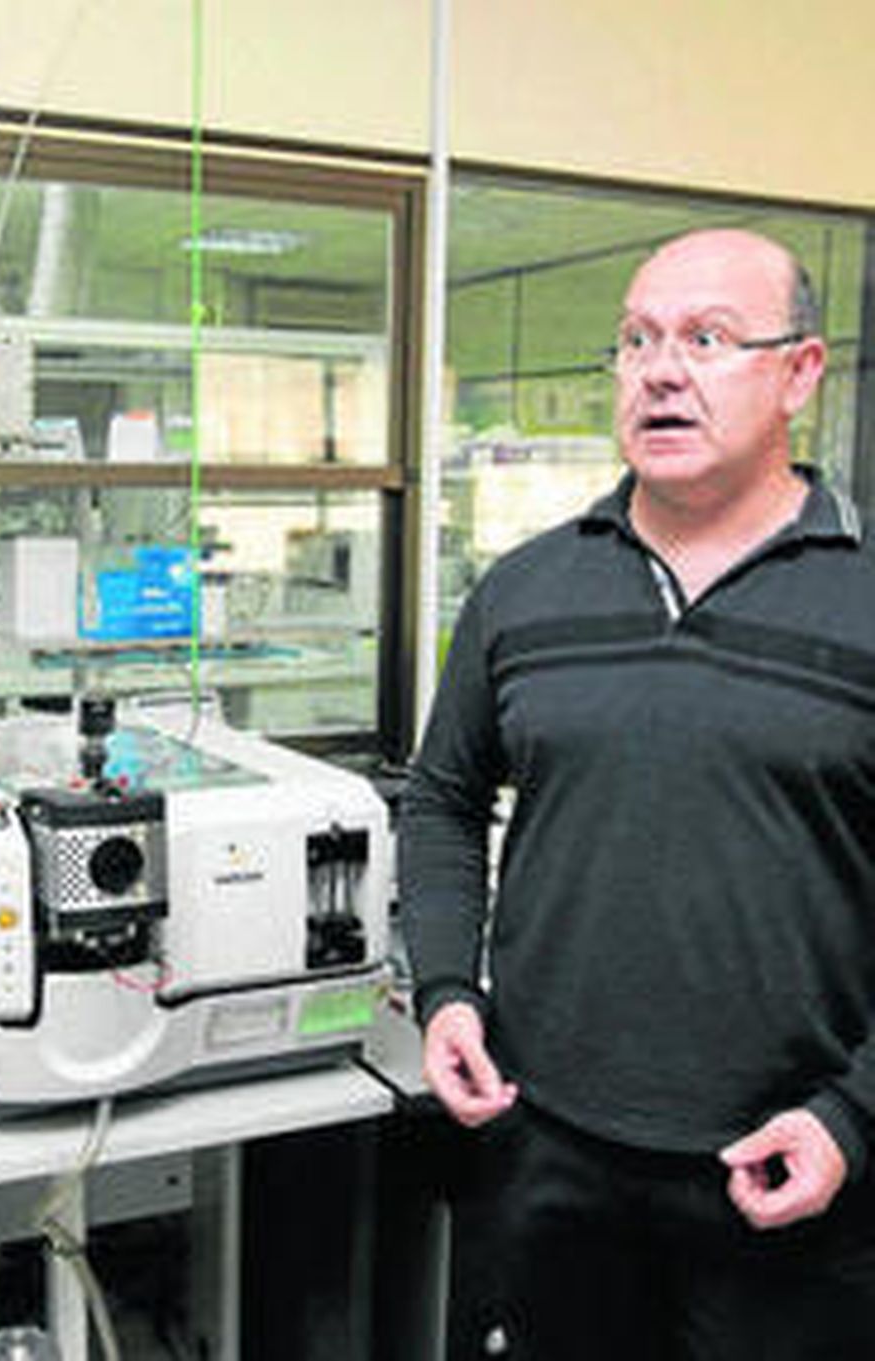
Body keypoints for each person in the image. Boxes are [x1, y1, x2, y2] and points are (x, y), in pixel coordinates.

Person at [400, 228, 875, 1360]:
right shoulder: (524, 589)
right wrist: (446, 991)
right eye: (636, 340)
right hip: (545, 1151)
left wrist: (853, 1113)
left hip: (787, 1166)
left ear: (799, 372)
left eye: (706, 339)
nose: (660, 371)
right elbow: (443, 799)